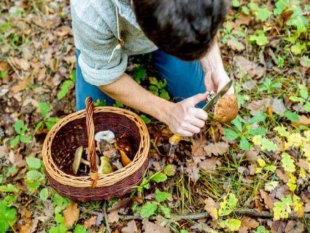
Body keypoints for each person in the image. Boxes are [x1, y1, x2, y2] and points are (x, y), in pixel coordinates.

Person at [71, 0, 233, 137]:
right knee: (97, 130)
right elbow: (105, 76)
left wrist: (214, 67)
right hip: (107, 38)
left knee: (198, 107)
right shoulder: (90, 10)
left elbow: (204, 17)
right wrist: (168, 112)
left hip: (161, 26)